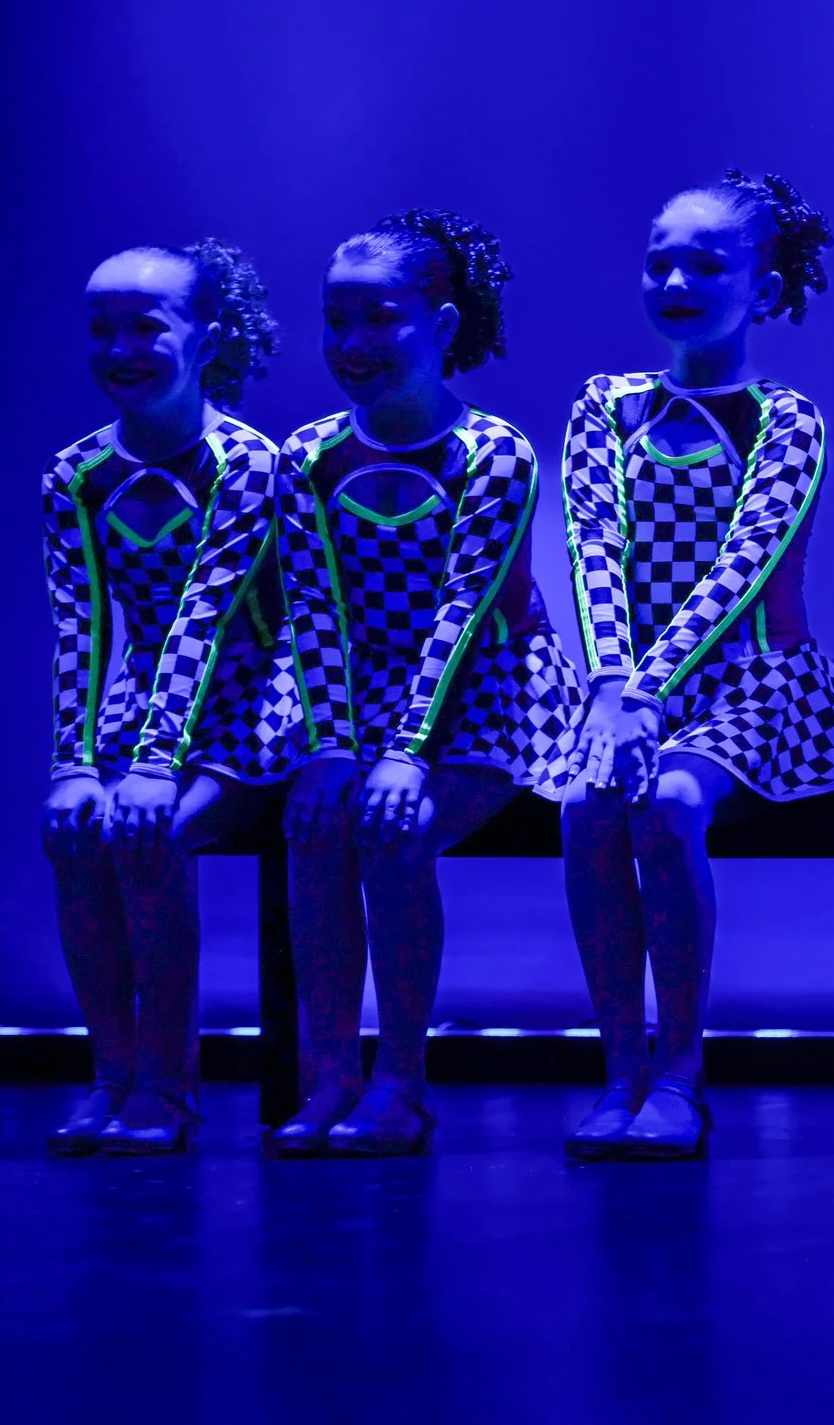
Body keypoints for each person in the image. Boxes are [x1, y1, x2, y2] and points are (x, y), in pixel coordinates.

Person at [559, 173, 834, 1161]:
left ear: (766, 292)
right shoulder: (605, 407)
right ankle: (619, 1070)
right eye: (660, 258)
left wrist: (642, 692)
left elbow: (743, 565)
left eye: (706, 261)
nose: (676, 277)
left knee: (669, 807)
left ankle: (683, 1073)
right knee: (583, 805)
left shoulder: (785, 418)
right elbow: (591, 550)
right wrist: (613, 687)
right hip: (631, 693)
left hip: (755, 684)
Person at [271, 211, 581, 1157]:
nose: (354, 343)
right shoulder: (310, 457)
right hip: (352, 693)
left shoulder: (494, 452)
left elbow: (460, 614)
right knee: (315, 825)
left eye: (382, 318)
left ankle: (400, 1079)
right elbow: (313, 611)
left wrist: (404, 756)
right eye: (337, 319)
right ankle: (329, 1073)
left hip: (486, 687)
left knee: (393, 828)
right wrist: (330, 745)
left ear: (442, 327)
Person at [42, 241, 287, 1155]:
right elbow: (83, 629)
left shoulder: (245, 466)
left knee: (150, 831)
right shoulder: (75, 476)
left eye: (148, 327)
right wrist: (74, 764)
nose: (122, 349)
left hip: (256, 703)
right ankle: (111, 1070)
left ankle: (168, 1082)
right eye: (101, 330)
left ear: (207, 335)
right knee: (73, 833)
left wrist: (149, 767)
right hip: (145, 705)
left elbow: (206, 619)